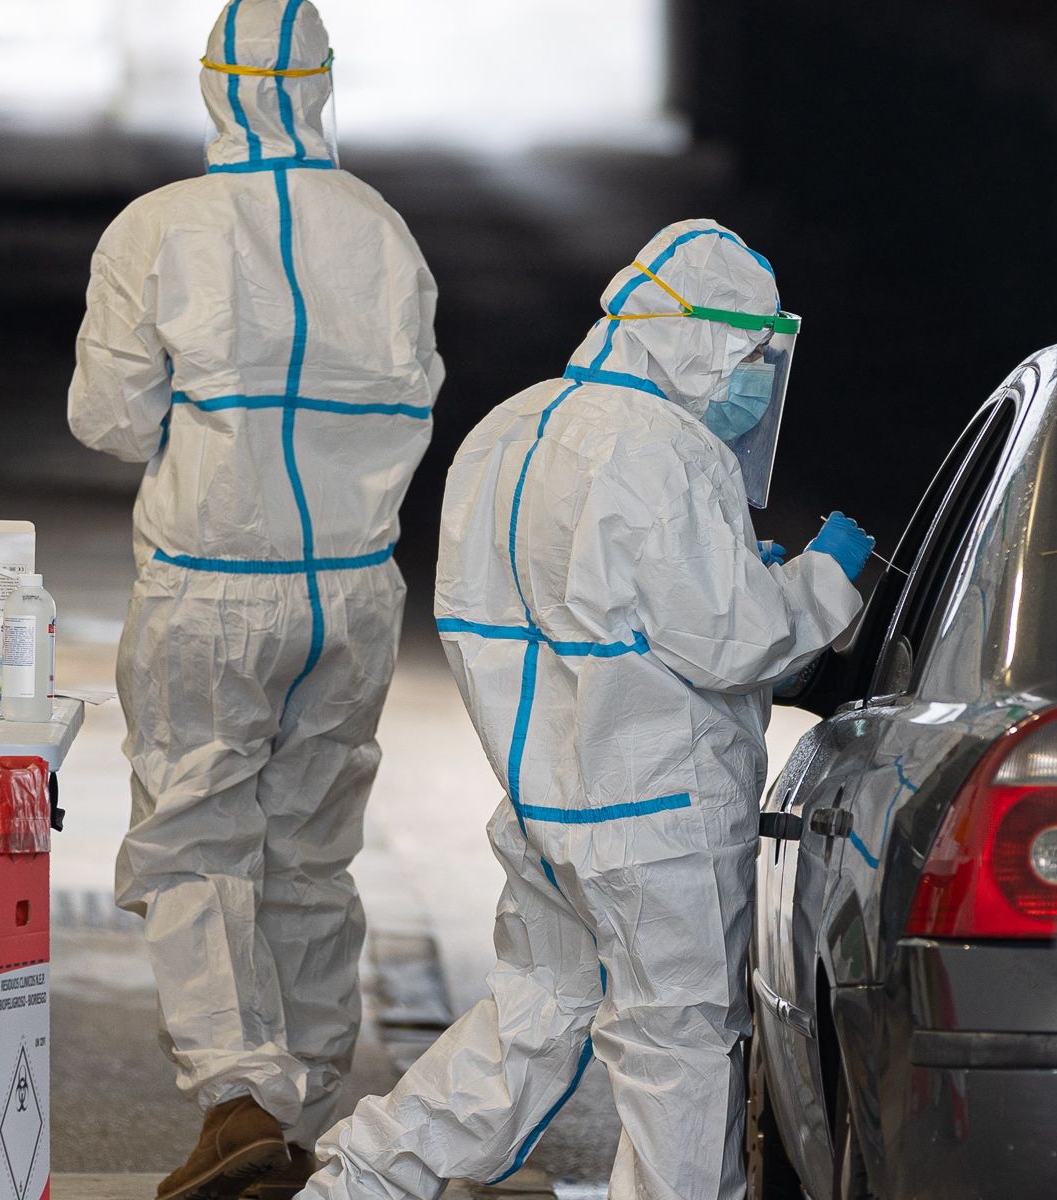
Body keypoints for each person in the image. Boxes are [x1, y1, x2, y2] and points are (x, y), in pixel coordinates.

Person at [304, 220, 872, 1200]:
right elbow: (739, 640)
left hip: (545, 811)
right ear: (695, 334)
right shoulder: (667, 451)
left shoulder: (507, 430)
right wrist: (824, 575)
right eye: (749, 353)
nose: (752, 380)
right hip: (657, 823)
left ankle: (355, 1183)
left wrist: (733, 577)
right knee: (678, 1050)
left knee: (529, 1022)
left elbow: (593, 603)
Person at [67, 2, 443, 1196]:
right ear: (324, 83)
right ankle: (300, 1113)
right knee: (311, 855)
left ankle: (239, 1101)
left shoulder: (160, 228)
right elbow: (417, 392)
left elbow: (108, 418)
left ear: (212, 85)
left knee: (194, 841)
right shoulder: (382, 232)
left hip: (212, 587)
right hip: (352, 590)